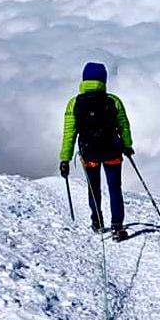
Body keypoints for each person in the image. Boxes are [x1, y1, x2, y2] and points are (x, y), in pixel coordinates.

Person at [59, 62, 134, 241]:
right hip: (113, 152)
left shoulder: (74, 103)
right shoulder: (113, 101)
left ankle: (97, 222)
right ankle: (117, 227)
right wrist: (127, 145)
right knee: (115, 188)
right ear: (104, 80)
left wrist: (65, 159)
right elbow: (124, 125)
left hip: (89, 154)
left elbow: (69, 134)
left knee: (94, 189)